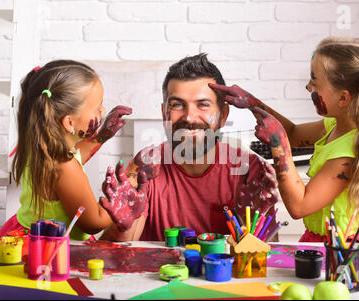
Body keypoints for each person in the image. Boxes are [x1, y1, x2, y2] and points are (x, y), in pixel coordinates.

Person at [210, 37, 359, 300]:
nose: (307, 86)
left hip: (346, 254)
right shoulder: (339, 124)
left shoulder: (353, 151)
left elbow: (300, 206)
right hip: (327, 241)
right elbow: (295, 134)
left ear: (343, 97)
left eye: (314, 80)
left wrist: (277, 146)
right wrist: (253, 104)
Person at [99, 53, 279, 242]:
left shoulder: (250, 172)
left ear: (223, 115)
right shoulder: (146, 167)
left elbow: (265, 262)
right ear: (164, 112)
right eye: (177, 105)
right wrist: (123, 225)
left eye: (203, 105)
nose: (189, 117)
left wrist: (251, 225)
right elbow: (116, 252)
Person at [0, 60, 132, 240]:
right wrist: (130, 182)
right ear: (69, 122)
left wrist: (101, 136)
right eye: (97, 107)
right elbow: (93, 222)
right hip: (50, 248)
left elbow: (77, 155)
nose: (103, 110)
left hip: (24, 232)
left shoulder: (41, 145)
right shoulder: (65, 167)